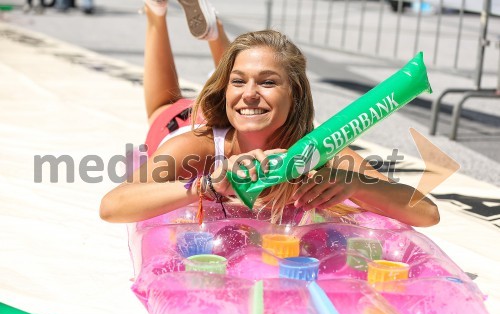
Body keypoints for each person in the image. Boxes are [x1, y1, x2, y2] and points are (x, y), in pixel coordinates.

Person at [100, 0, 439, 227]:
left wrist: (355, 184)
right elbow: (112, 206)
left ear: (297, 94)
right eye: (237, 82)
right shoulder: (197, 148)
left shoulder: (320, 153)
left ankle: (216, 33)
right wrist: (207, 186)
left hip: (235, 118)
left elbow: (427, 213)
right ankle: (155, 12)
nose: (249, 91)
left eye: (270, 82)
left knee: (250, 92)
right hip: (188, 120)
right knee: (162, 106)